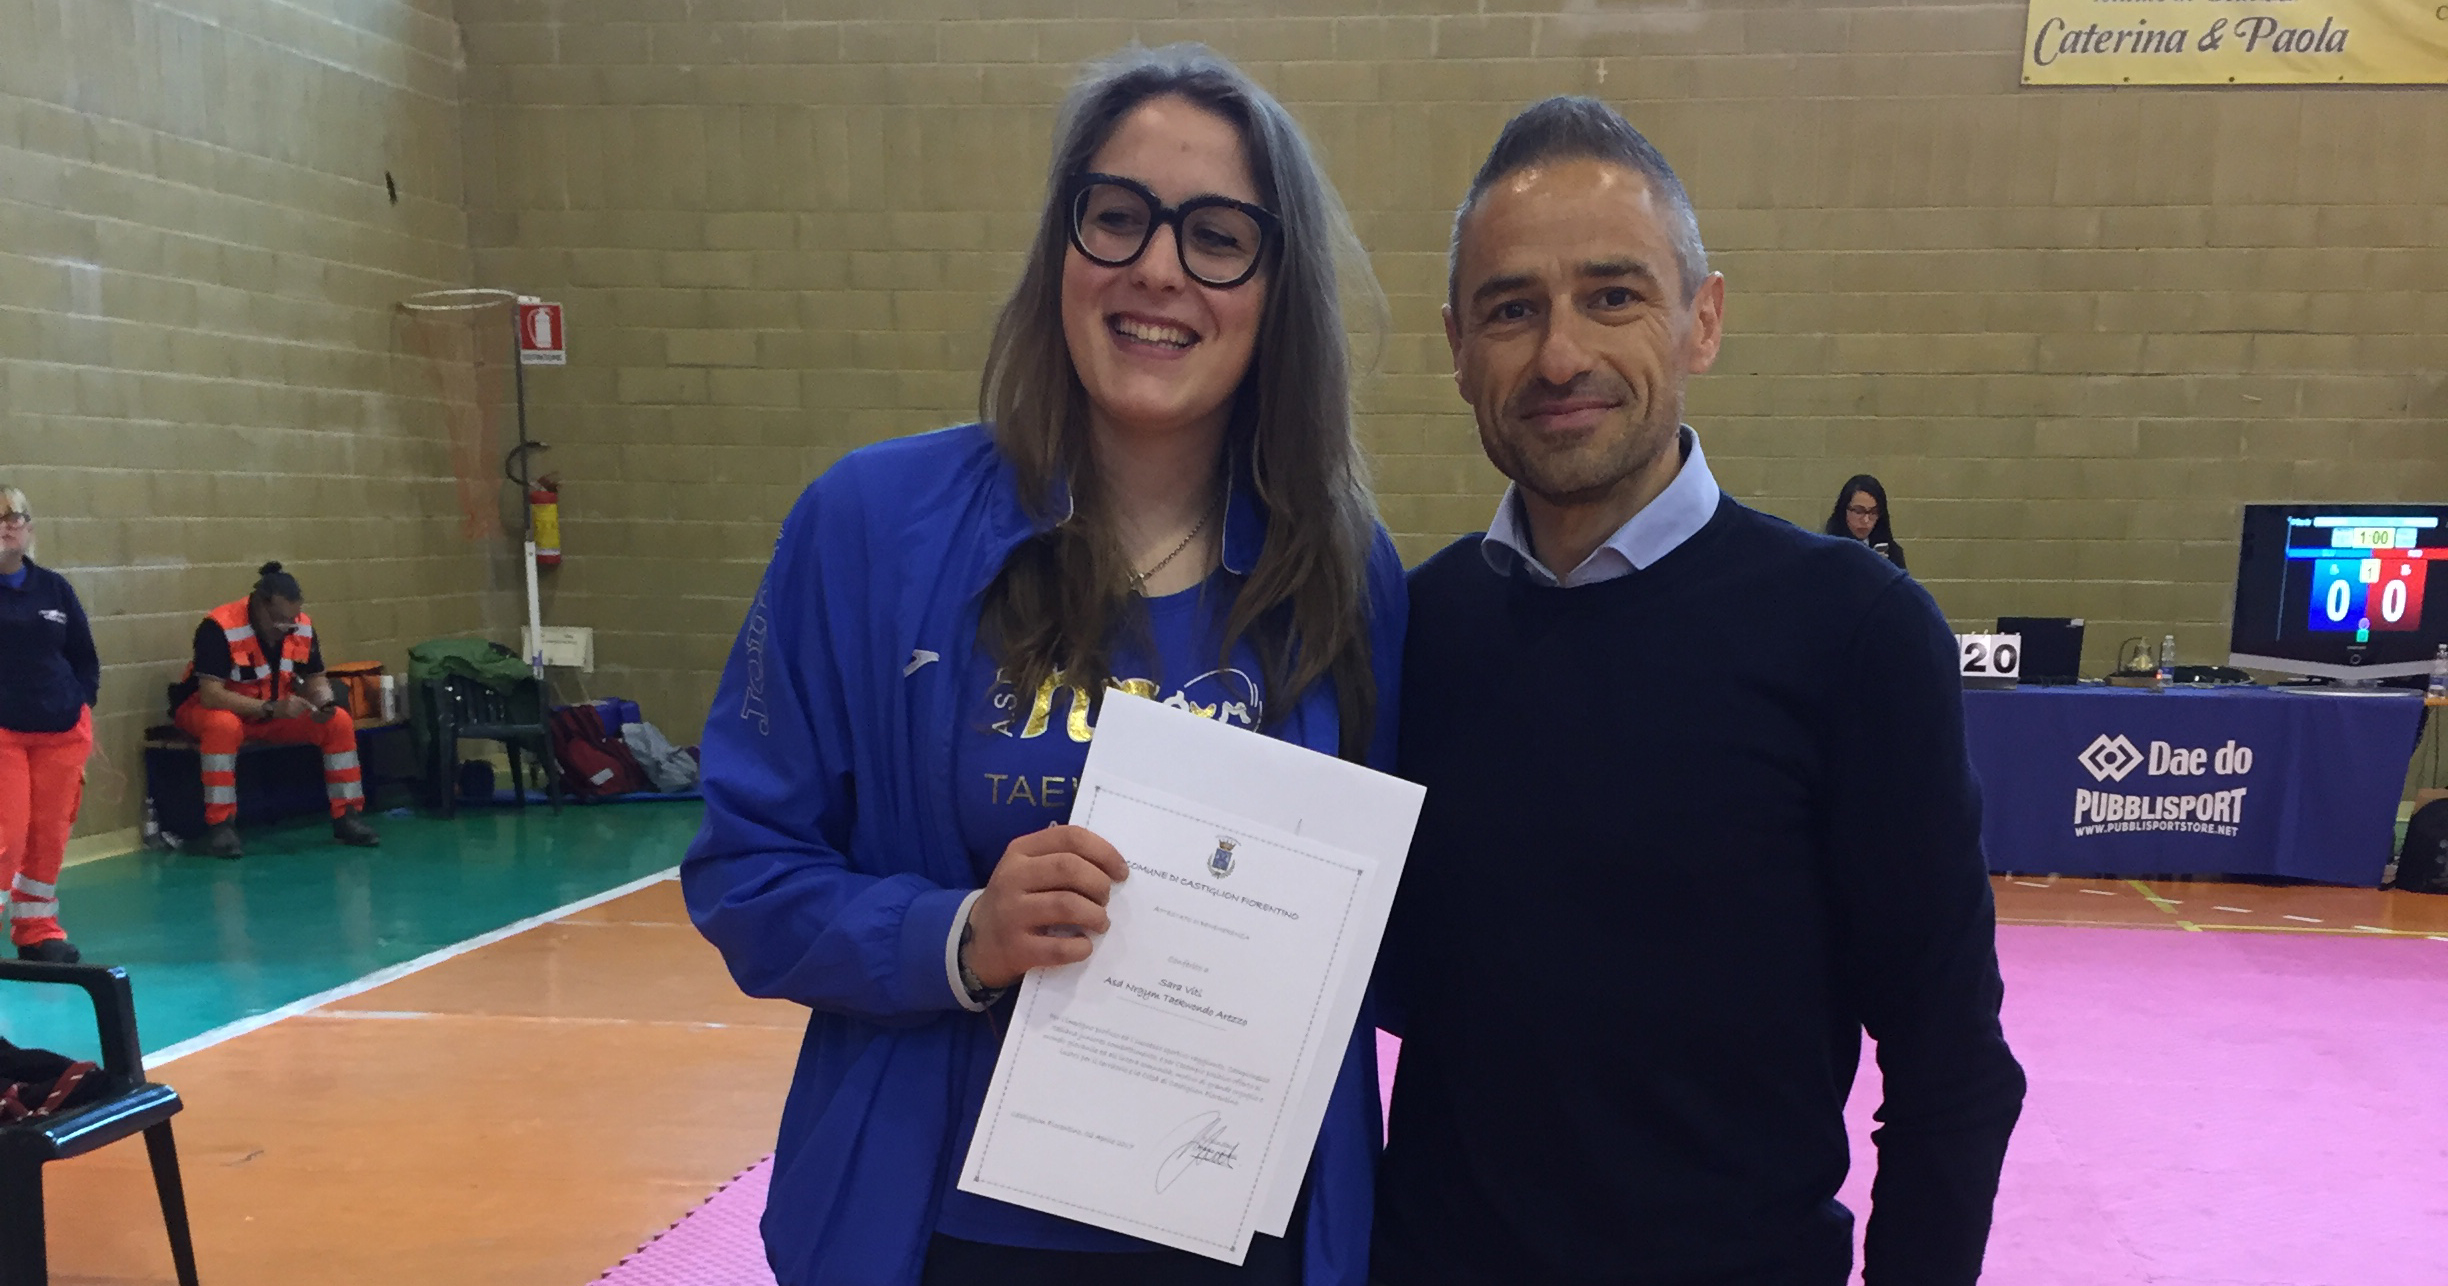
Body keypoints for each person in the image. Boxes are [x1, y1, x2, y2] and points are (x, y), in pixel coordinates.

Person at [682, 45, 1403, 1286]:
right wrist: (960, 933)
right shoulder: (867, 526)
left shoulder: (1344, 572)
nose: (1158, 267)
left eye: (1217, 236)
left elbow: (1376, 923)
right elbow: (745, 872)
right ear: (1062, 247)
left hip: (1245, 1234)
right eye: (1117, 217)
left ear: (1277, 287)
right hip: (944, 1234)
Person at [1376, 98, 2024, 1285]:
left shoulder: (1855, 632)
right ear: (1458, 347)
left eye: (1612, 296)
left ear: (1702, 319)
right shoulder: (1409, 630)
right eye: (1512, 309)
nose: (1560, 355)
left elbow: (1951, 1064)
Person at [168, 562, 379, 858]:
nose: (286, 627)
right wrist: (270, 708)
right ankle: (221, 826)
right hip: (210, 709)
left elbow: (315, 677)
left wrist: (324, 702)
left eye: (292, 620)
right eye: (280, 620)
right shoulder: (219, 627)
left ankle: (348, 816)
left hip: (271, 709)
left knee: (338, 722)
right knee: (223, 727)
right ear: (259, 606)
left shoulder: (300, 625)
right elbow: (211, 695)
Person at [0, 485, 99, 963]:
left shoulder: (54, 588)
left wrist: (82, 702)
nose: (6, 526)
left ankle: (37, 930)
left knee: (48, 835)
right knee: (6, 834)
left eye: (14, 517)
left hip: (60, 731)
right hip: (3, 733)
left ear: (29, 528)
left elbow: (83, 655)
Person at [1826, 473, 1908, 569]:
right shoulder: (1828, 550)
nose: (1865, 520)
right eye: (1858, 511)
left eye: (1873, 512)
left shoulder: (1892, 553)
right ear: (1843, 510)